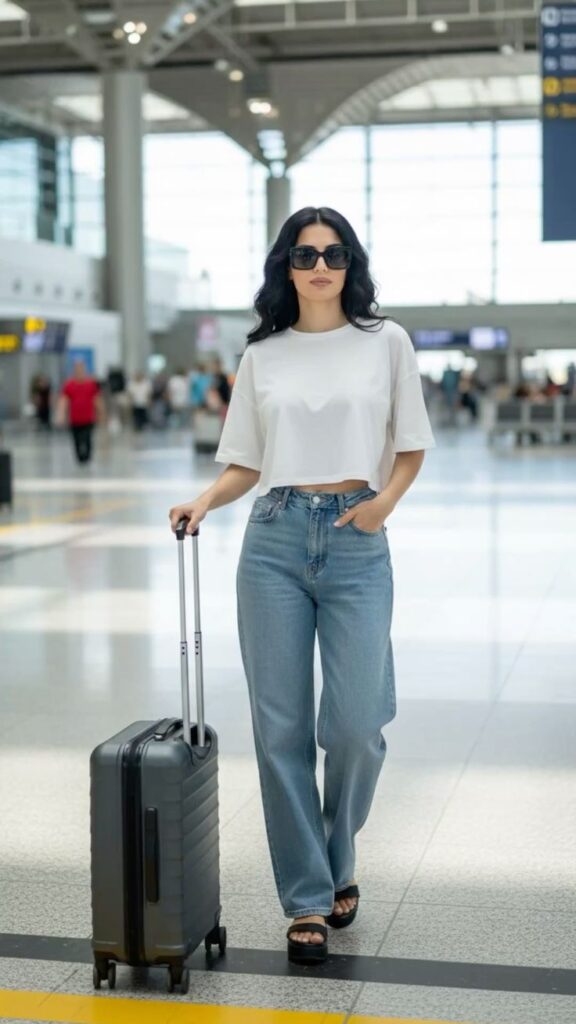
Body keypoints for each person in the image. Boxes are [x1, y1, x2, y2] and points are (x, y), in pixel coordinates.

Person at [168, 207, 435, 965]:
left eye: (335, 252)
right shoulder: (264, 355)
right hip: (274, 539)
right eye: (305, 253)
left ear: (351, 265)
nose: (321, 265)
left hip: (357, 534)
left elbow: (410, 446)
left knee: (355, 723)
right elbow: (247, 462)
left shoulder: (387, 342)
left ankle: (336, 850)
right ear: (286, 266)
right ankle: (308, 900)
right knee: (280, 731)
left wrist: (381, 506)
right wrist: (203, 501)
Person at [56, 359, 103, 464]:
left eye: (81, 369)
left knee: (87, 438)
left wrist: (101, 413)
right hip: (75, 418)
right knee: (76, 439)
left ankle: (87, 456)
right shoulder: (69, 385)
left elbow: (97, 400)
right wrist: (61, 415)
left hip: (88, 418)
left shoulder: (91, 384)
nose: (79, 371)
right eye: (77, 369)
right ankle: (79, 457)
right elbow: (64, 401)